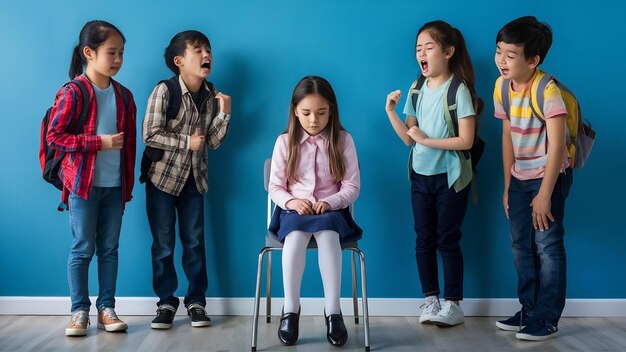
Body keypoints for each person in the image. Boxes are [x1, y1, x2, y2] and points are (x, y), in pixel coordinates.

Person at [384, 20, 483, 327]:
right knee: (423, 240)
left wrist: (426, 140)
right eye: (418, 49)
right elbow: (407, 138)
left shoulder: (458, 90)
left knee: (448, 239)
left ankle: (453, 305)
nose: (421, 54)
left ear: (449, 51)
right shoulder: (417, 88)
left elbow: (465, 140)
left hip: (451, 178)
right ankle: (430, 300)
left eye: (429, 47)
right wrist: (390, 111)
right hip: (420, 177)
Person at [46, 20, 137, 336]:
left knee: (109, 250)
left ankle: (107, 309)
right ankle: (78, 311)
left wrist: (126, 186)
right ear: (89, 52)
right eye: (111, 52)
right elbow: (54, 137)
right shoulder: (74, 92)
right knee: (83, 248)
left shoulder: (124, 95)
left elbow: (130, 147)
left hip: (114, 187)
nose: (117, 59)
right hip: (83, 186)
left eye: (121, 53)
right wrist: (99, 142)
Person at [142, 30, 231, 329]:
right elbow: (150, 134)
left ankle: (196, 302)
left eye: (208, 49)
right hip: (162, 181)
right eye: (198, 50)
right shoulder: (165, 91)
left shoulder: (212, 94)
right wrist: (186, 142)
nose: (206, 55)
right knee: (163, 244)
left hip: (195, 180)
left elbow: (215, 142)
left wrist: (225, 114)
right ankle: (165, 302)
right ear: (179, 61)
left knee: (194, 243)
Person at [493, 16, 571, 341]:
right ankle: (528, 309)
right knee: (520, 247)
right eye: (499, 52)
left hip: (548, 177)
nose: (501, 60)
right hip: (520, 178)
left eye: (510, 55)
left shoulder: (546, 90)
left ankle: (547, 317)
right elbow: (507, 136)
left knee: (547, 247)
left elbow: (556, 149)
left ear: (533, 60)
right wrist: (508, 185)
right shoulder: (501, 87)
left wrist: (544, 194)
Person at [268, 76, 361, 347]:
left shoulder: (343, 140)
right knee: (295, 238)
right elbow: (275, 187)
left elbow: (352, 186)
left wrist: (331, 201)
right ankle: (290, 309)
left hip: (332, 211)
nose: (313, 120)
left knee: (329, 236)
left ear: (331, 110)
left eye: (320, 113)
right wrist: (291, 202)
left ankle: (333, 311)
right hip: (293, 212)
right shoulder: (285, 142)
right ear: (295, 110)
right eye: (306, 113)